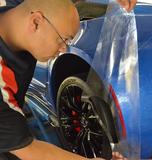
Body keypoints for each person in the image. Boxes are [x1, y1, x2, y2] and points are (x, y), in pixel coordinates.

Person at [0, 0, 137, 160]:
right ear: (36, 22)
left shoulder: (23, 12)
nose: (64, 48)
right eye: (63, 39)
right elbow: (29, 151)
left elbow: (56, 5)